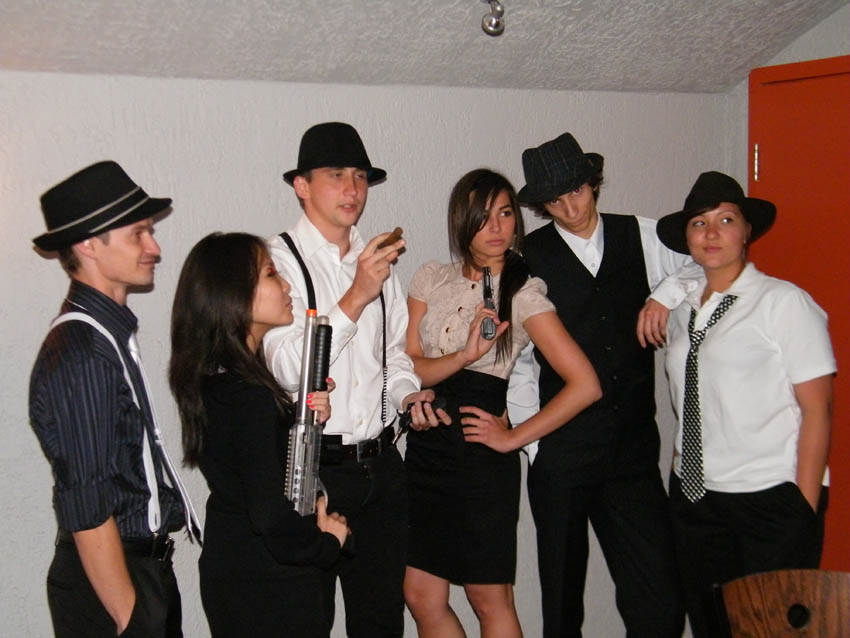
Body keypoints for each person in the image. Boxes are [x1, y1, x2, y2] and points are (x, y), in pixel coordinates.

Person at [263, 121, 448, 637]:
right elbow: (288, 371)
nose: (352, 189)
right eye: (336, 174)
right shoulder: (277, 263)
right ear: (301, 185)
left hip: (382, 466)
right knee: (309, 621)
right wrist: (357, 295)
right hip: (315, 471)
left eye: (361, 176)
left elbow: (393, 358)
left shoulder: (375, 259)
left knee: (381, 621)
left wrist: (409, 397)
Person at [403, 168, 602, 637]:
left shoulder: (523, 291)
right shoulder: (432, 278)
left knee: (487, 597)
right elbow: (409, 366)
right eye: (483, 215)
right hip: (426, 448)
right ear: (462, 220)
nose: (496, 227)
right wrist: (461, 357)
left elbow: (585, 385)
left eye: (506, 213)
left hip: (480, 456)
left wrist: (513, 439)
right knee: (420, 593)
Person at [510, 132, 690, 637]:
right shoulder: (526, 256)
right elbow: (517, 360)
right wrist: (535, 442)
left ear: (594, 183)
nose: (571, 208)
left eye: (578, 191)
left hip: (632, 454)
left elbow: (704, 261)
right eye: (555, 200)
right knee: (562, 606)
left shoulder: (643, 235)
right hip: (562, 455)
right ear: (542, 206)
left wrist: (665, 295)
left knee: (660, 600)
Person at [655, 171, 835, 638]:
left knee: (771, 629)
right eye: (699, 223)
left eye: (726, 220)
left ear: (746, 231)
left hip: (771, 497)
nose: (711, 233)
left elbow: (818, 410)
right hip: (696, 498)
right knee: (712, 626)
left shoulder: (784, 303)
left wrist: (802, 507)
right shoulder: (681, 310)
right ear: (687, 238)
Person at [29, 161, 200, 637]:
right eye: (138, 234)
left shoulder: (104, 337)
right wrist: (132, 616)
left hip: (140, 570)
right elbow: (86, 505)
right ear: (88, 244)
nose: (154, 248)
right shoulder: (83, 352)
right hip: (113, 582)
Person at [169, 232, 350, 637]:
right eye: (271, 274)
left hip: (234, 565)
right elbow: (269, 514)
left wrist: (300, 425)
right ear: (232, 293)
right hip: (270, 582)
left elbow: (246, 466)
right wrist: (326, 545)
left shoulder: (216, 378)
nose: (286, 286)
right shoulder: (248, 394)